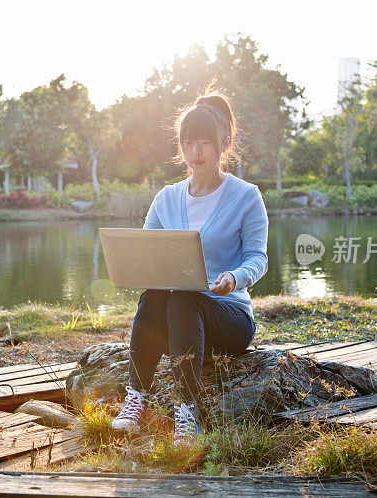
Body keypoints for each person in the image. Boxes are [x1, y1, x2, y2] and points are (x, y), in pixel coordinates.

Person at [110, 88, 269, 444]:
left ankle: (188, 413)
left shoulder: (246, 196)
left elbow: (258, 258)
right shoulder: (166, 199)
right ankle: (135, 401)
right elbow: (146, 253)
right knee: (156, 295)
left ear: (223, 144)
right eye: (188, 142)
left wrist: (234, 277)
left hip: (228, 319)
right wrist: (136, 268)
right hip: (177, 323)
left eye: (205, 142)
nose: (195, 152)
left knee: (184, 300)